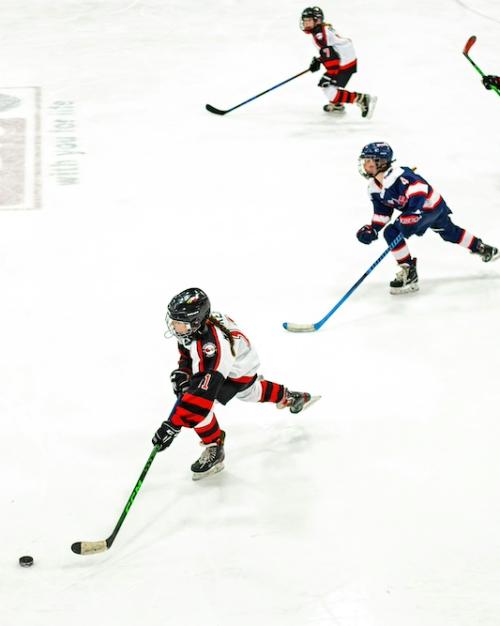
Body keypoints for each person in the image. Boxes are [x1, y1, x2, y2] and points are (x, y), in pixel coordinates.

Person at [152, 288, 317, 480]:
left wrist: (173, 425)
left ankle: (215, 447)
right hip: (237, 361)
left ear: (195, 321)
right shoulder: (199, 326)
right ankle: (289, 396)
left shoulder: (212, 349)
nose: (173, 325)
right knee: (251, 392)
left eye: (178, 322)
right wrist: (184, 370)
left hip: (236, 371)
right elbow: (189, 349)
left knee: (200, 409)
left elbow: (199, 398)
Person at [356, 142, 499, 294]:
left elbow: (419, 189)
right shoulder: (374, 188)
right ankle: (481, 247)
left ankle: (409, 272)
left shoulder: (399, 176)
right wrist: (374, 229)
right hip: (430, 208)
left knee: (392, 232)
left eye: (371, 160)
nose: (366, 164)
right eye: (365, 161)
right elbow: (383, 212)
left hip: (427, 208)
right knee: (450, 232)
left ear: (383, 162)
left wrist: (413, 213)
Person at [300, 6, 376, 118]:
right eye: (305, 20)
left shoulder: (319, 35)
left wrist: (329, 75)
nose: (306, 23)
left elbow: (333, 58)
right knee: (331, 85)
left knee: (327, 88)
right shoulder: (321, 29)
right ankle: (337, 104)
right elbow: (332, 51)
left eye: (309, 20)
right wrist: (320, 60)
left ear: (318, 20)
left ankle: (361, 99)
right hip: (346, 59)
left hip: (344, 63)